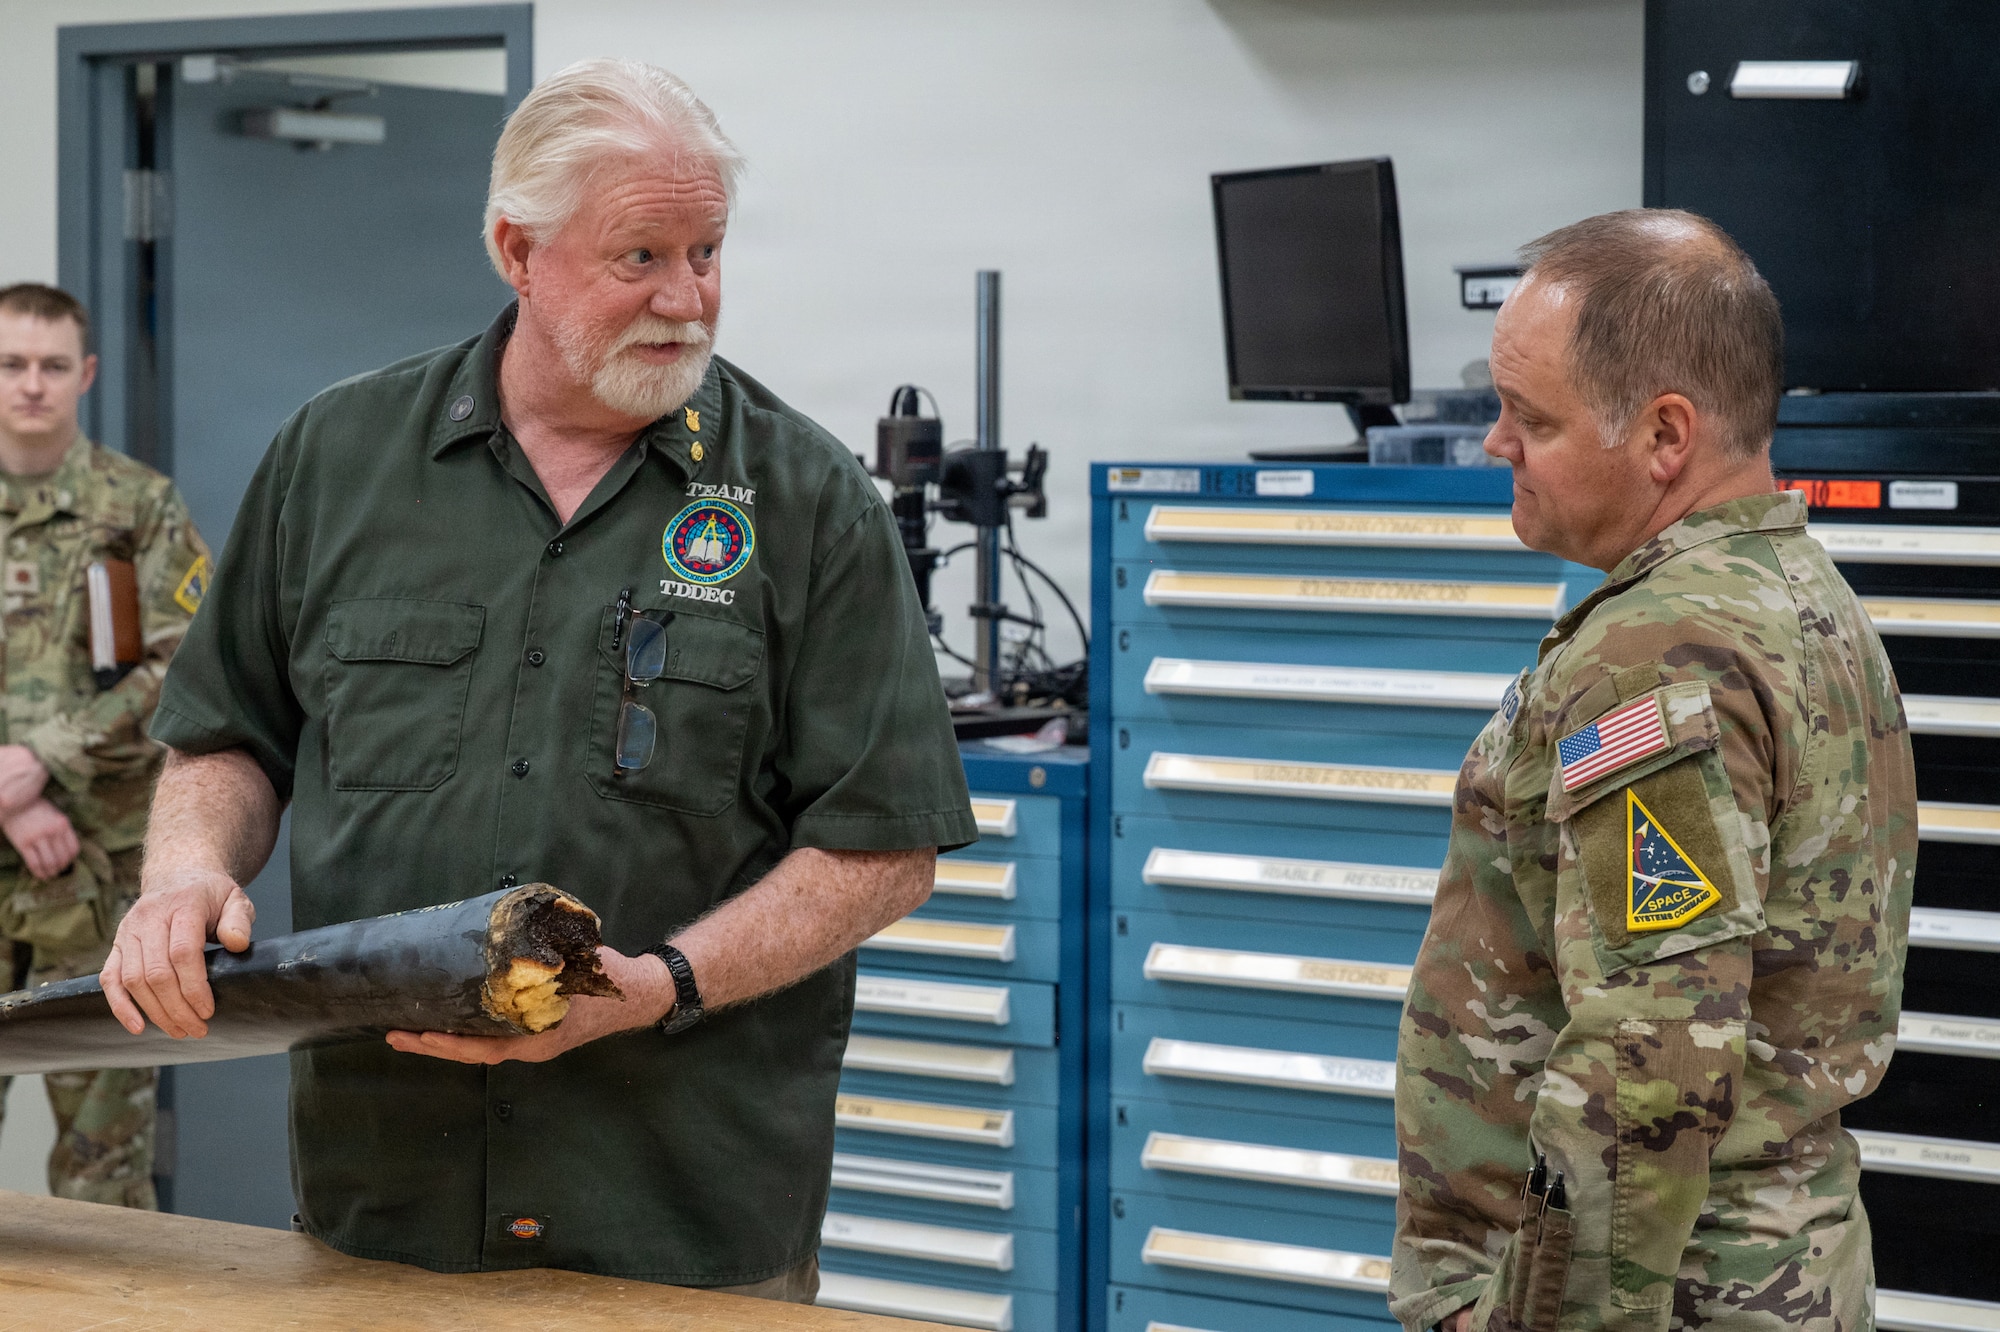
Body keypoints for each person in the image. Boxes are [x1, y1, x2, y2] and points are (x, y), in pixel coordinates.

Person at [100, 59, 975, 1298]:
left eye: (707, 252)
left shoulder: (808, 500)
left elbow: (882, 849)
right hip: (385, 1196)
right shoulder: (337, 459)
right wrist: (186, 873)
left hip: (684, 1217)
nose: (687, 299)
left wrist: (659, 986)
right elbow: (228, 736)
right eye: (640, 258)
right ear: (518, 251)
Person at [1390, 211, 1917, 1332]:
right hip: (1783, 1272)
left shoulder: (1657, 655)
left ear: (1664, 434)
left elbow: (1648, 1061)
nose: (1495, 444)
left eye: (1530, 417)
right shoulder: (1801, 597)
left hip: (1661, 1300)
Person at [0, 282, 211, 1207]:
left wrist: (44, 757)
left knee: (104, 1177)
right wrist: (12, 802)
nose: (31, 384)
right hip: (27, 837)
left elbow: (185, 661)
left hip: (96, 878)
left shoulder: (137, 509)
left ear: (84, 375)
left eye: (52, 366)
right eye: (11, 364)